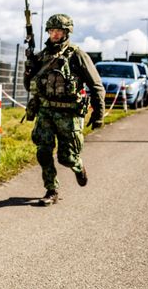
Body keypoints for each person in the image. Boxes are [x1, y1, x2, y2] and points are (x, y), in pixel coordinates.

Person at [24, 14, 105, 206]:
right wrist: (29, 67)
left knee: (66, 158)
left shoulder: (77, 55)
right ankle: (51, 190)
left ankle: (78, 167)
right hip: (45, 111)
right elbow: (30, 86)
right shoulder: (42, 55)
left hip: (69, 114)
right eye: (51, 31)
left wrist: (99, 114)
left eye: (58, 31)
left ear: (67, 32)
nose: (54, 34)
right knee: (43, 152)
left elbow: (96, 86)